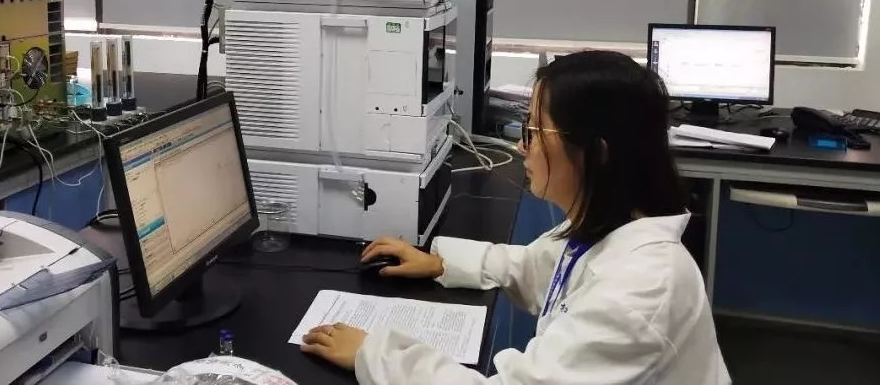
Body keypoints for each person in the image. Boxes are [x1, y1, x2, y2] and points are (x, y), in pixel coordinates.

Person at [301, 50, 730, 384]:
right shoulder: (611, 230)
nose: (523, 146)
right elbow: (536, 267)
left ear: (595, 153)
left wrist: (374, 355)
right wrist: (441, 263)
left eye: (535, 131)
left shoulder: (640, 292)